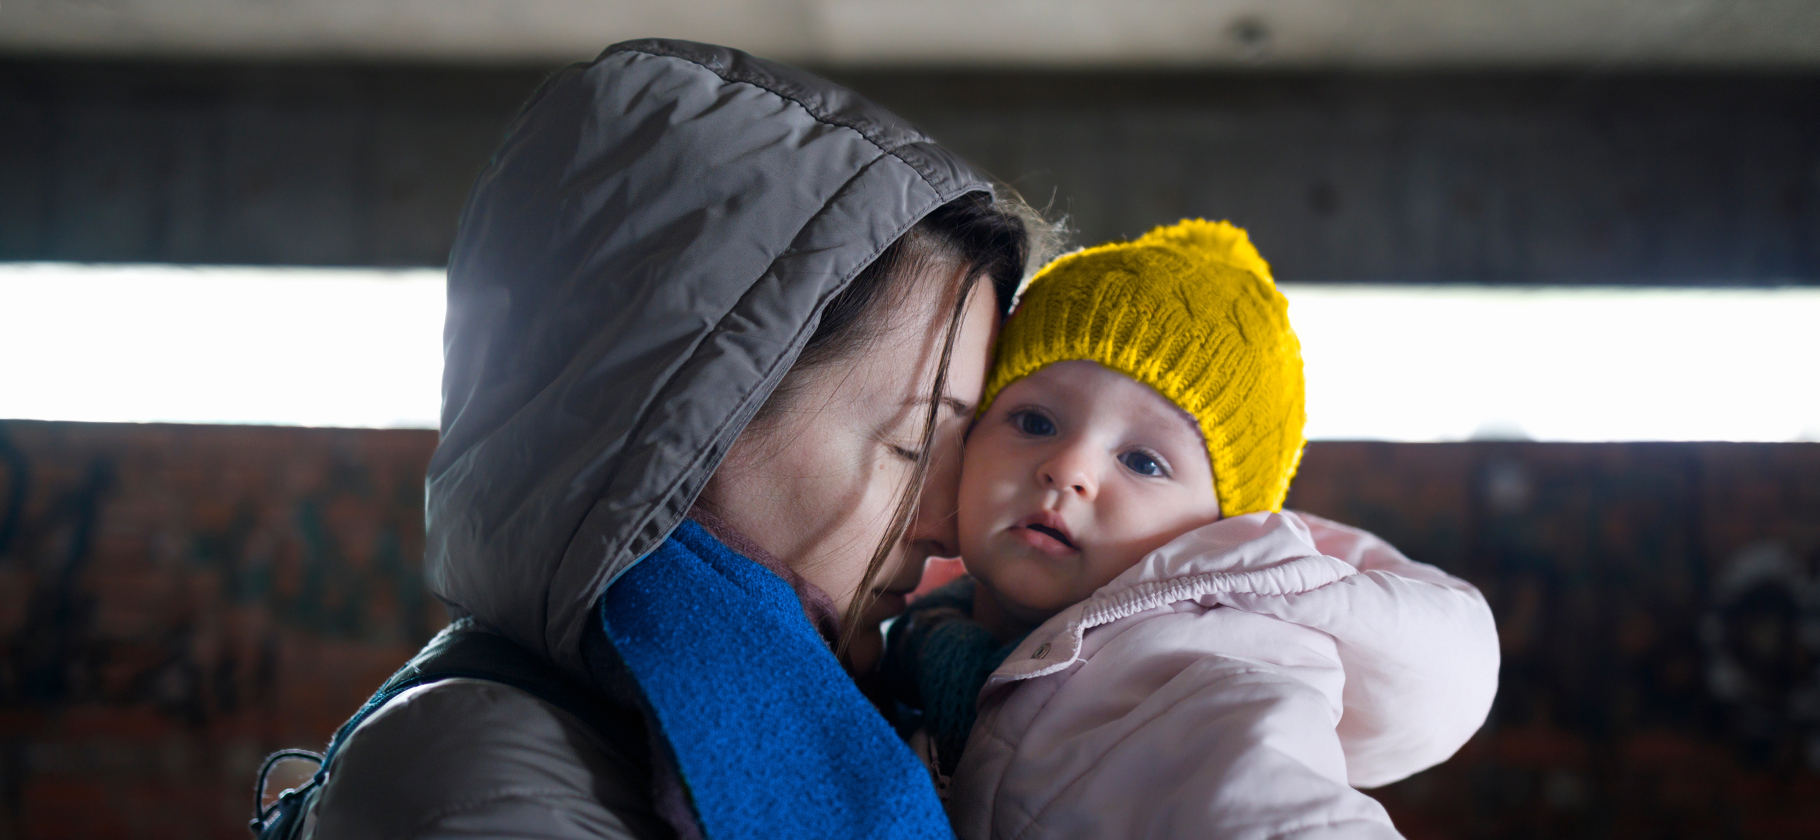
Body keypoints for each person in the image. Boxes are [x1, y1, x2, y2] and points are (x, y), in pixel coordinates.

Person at [303, 39, 1054, 840]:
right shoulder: (481, 782)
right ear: (693, 422)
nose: (951, 522)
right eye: (911, 445)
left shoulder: (851, 725)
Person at [880, 220, 1501, 839]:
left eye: (1143, 461)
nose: (1069, 468)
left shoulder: (1204, 685)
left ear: (1219, 534)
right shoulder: (920, 645)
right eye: (1035, 421)